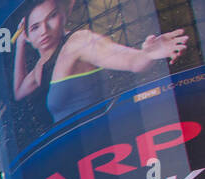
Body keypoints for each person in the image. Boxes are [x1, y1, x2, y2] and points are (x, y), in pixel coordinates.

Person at [12, 0, 188, 126]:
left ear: (63, 16)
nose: (44, 31)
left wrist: (147, 54)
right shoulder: (41, 67)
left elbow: (131, 61)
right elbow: (19, 92)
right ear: (27, 35)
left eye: (51, 17)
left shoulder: (78, 42)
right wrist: (20, 43)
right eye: (35, 27)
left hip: (100, 142)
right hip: (74, 154)